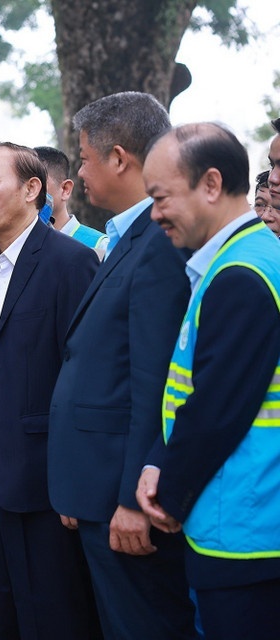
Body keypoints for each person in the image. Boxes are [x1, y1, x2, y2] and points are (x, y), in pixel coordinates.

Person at [46, 91, 196, 640]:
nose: (80, 171)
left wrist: (134, 497)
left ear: (117, 157)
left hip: (127, 498)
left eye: (83, 158)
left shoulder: (160, 241)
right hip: (97, 488)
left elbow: (153, 381)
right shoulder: (125, 238)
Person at [0, 142, 99, 640]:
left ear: (33, 190)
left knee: (49, 607)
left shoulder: (71, 262)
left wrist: (77, 475)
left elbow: (83, 374)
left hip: (42, 467)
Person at [136, 122, 280, 640]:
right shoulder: (243, 259)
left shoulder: (242, 274)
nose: (155, 214)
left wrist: (169, 493)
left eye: (161, 198)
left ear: (212, 184)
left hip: (244, 529)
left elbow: (218, 408)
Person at [34, 146, 109, 255]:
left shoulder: (99, 245)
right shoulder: (16, 245)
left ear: (65, 189)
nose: (30, 192)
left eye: (37, 183)